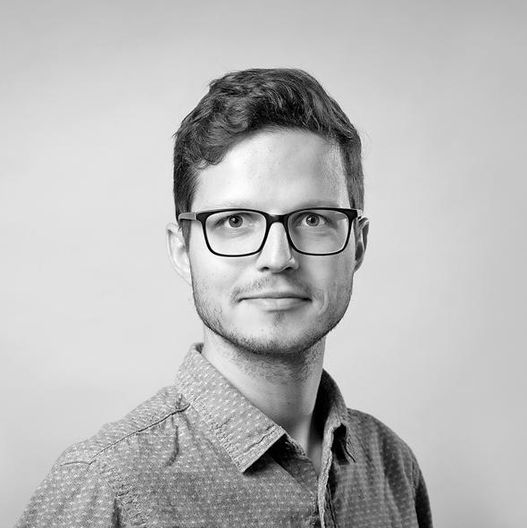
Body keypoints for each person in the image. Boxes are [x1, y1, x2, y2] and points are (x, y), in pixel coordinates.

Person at [16, 68, 433, 527]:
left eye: (313, 219)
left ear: (358, 245)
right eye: (235, 221)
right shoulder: (104, 486)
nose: (278, 258)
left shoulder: (393, 466)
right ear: (183, 250)